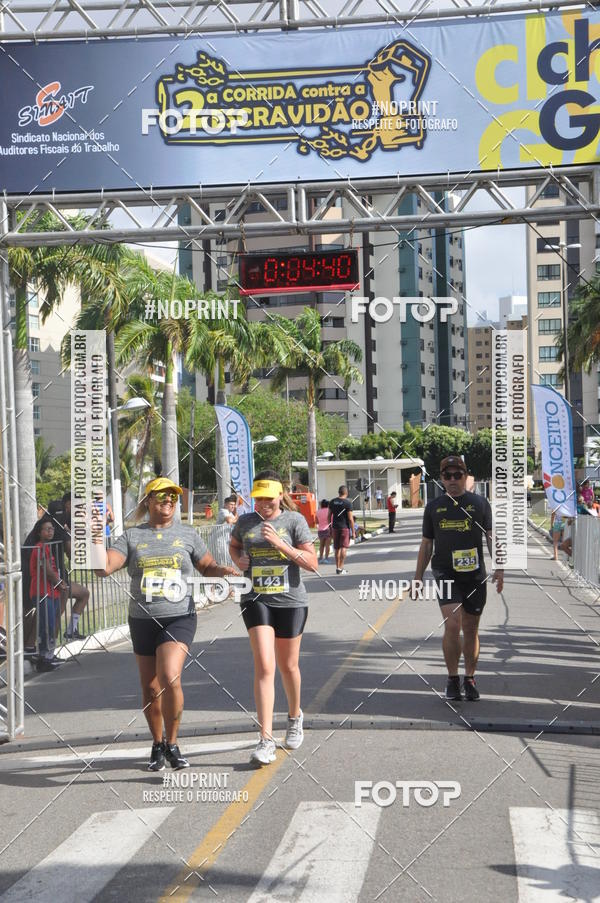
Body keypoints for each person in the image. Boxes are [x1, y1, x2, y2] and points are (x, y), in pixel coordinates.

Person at [94, 477, 239, 771]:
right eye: (162, 496)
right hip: (142, 619)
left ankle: (172, 743)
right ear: (148, 501)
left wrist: (222, 570)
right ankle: (157, 743)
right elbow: (104, 568)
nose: (169, 501)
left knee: (170, 676)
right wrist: (96, 537)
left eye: (173, 497)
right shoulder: (132, 537)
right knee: (150, 688)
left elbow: (207, 566)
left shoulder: (187, 534)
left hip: (179, 616)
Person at [229, 470, 318, 767]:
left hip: (290, 601)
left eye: (269, 498)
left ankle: (295, 717)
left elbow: (312, 564)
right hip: (256, 599)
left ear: (280, 495)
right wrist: (238, 559)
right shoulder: (245, 522)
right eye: (259, 498)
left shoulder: (294, 522)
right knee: (265, 666)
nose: (264, 504)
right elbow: (235, 545)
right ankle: (265, 739)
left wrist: (282, 546)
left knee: (288, 665)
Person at [413, 456, 504, 702]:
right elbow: (426, 544)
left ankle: (470, 678)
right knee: (452, 624)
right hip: (445, 572)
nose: (452, 480)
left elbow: (490, 536)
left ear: (465, 476)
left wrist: (500, 567)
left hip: (474, 575)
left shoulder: (480, 503)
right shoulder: (433, 507)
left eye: (457, 475)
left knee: (471, 629)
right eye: (447, 475)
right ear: (441, 479)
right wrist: (417, 578)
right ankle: (453, 679)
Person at [329, 486, 356, 575]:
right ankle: (341, 567)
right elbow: (350, 519)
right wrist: (353, 531)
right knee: (343, 547)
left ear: (338, 492)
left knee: (336, 548)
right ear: (346, 493)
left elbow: (328, 516)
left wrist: (330, 527)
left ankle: (337, 567)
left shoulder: (332, 502)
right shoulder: (348, 503)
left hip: (335, 527)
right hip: (344, 528)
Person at [316, 499, 332, 563]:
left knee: (321, 545)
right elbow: (331, 520)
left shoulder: (318, 512)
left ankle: (320, 558)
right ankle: (326, 558)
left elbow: (316, 521)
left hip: (320, 530)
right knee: (327, 545)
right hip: (328, 529)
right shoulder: (329, 511)